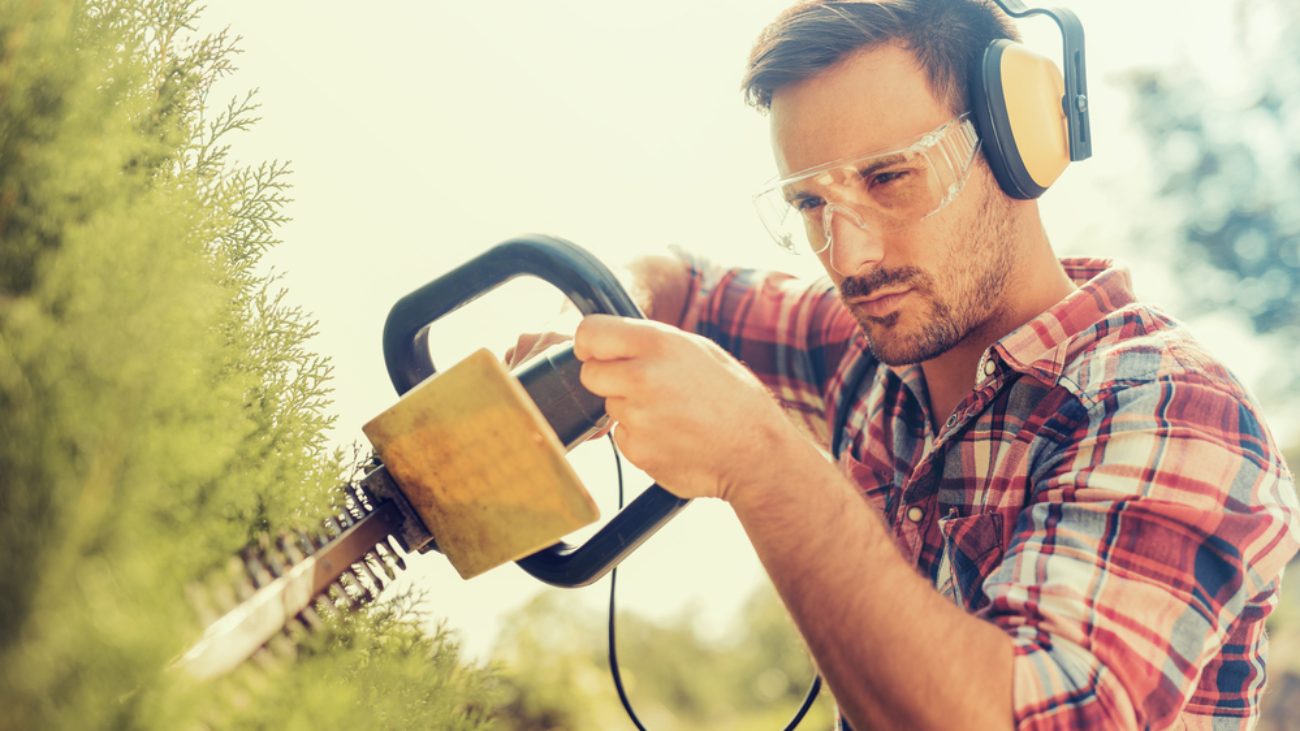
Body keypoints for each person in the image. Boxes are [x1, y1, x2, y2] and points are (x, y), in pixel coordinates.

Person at [509, 1, 1300, 728]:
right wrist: (589, 327)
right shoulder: (867, 348)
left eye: (888, 177)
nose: (849, 257)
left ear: (1017, 141)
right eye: (811, 204)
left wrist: (761, 461)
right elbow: (684, 285)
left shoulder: (1175, 411)